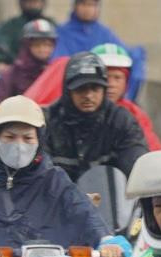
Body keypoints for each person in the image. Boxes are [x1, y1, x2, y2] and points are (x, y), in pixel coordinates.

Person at [0, 96, 129, 257]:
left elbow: (84, 213)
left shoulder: (54, 179)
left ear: (39, 141)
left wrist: (106, 242)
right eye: (10, 137)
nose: (19, 145)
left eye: (27, 138)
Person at [40, 53, 148, 184]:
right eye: (81, 89)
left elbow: (136, 163)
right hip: (58, 195)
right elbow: (38, 173)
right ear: (68, 91)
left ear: (104, 90)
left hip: (108, 195)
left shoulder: (121, 121)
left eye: (95, 88)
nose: (88, 96)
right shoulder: (47, 121)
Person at [90, 42, 161, 150]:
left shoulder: (136, 114)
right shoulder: (79, 112)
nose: (111, 84)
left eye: (117, 78)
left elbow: (153, 150)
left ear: (126, 81)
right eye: (105, 77)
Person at [0, 17, 56, 111]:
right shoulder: (12, 73)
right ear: (27, 46)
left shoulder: (54, 72)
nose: (43, 49)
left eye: (48, 45)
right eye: (37, 45)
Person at [0, 0, 47, 71]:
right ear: (21, 2)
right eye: (29, 0)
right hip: (16, 72)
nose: (33, 4)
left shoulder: (50, 26)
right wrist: (1, 65)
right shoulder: (9, 26)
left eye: (36, 0)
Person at [53, 0, 124, 57]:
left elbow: (123, 52)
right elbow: (58, 58)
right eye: (84, 4)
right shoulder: (62, 32)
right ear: (75, 6)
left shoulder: (105, 33)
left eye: (92, 5)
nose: (88, 9)